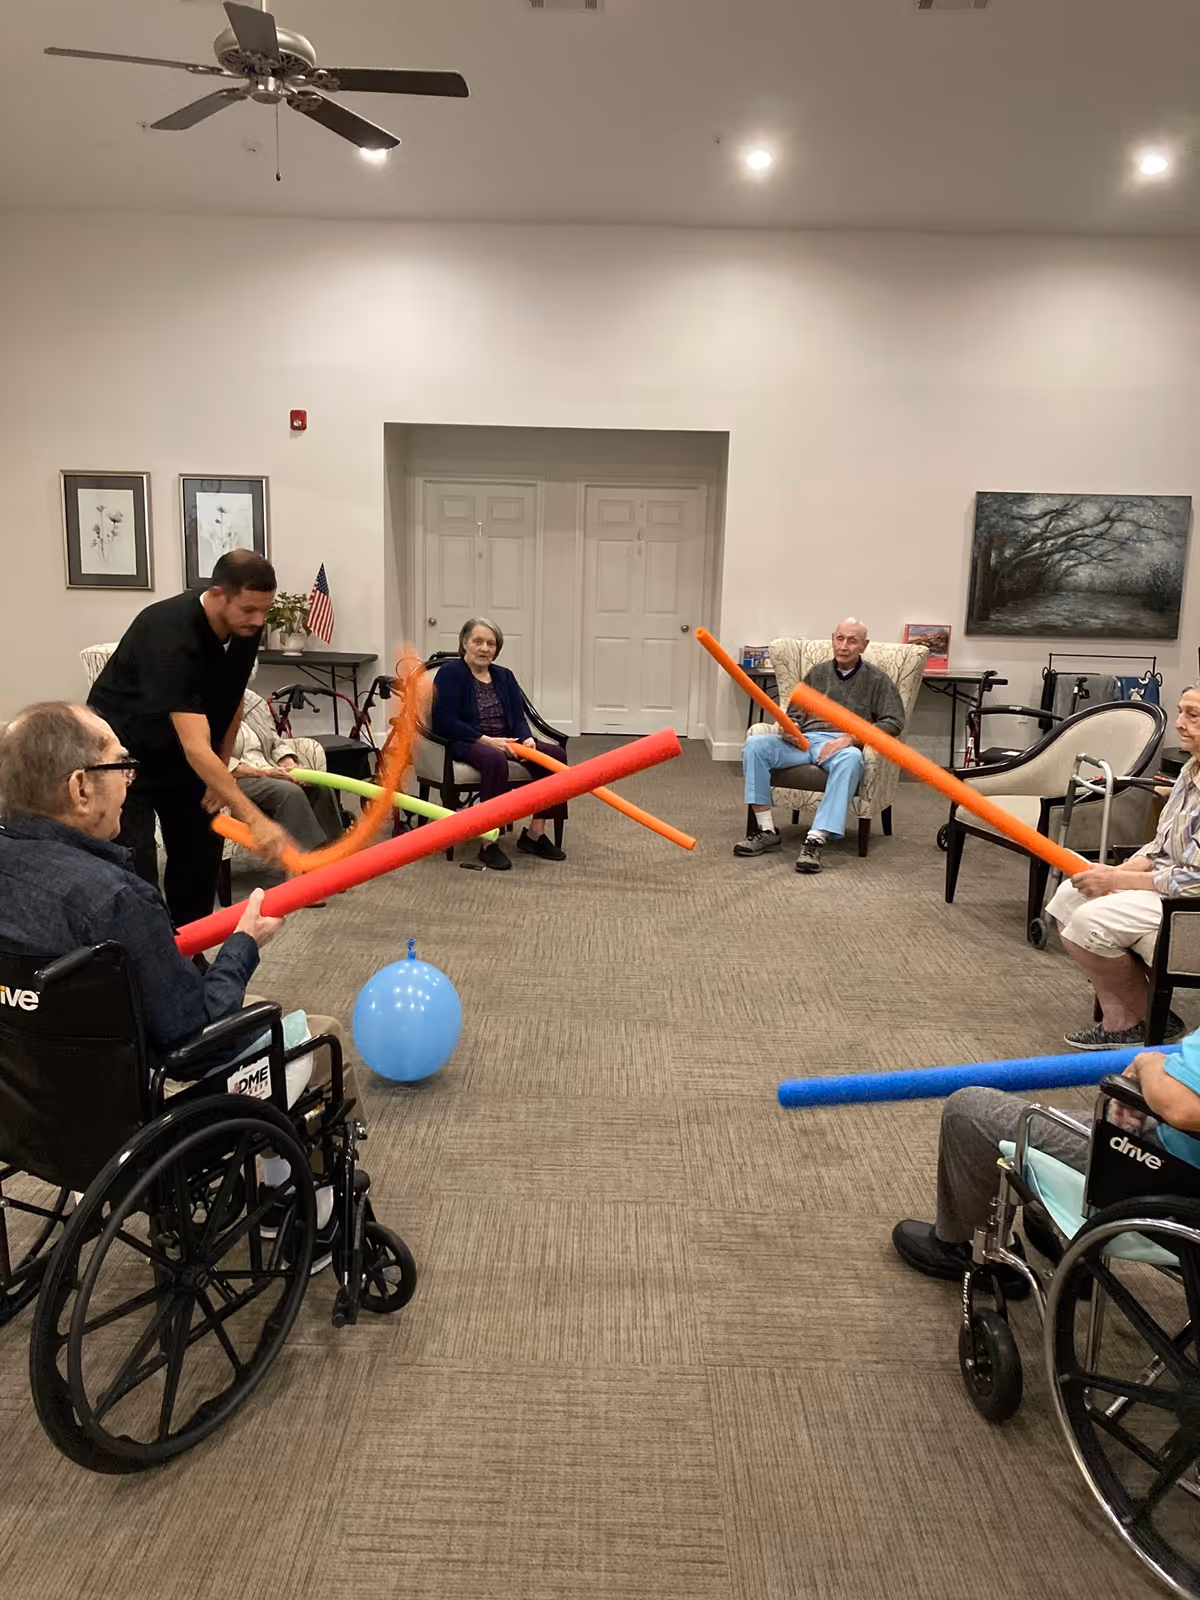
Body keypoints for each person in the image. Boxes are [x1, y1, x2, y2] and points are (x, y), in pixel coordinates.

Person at [0, 700, 358, 1267]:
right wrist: (244, 944)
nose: (129, 780)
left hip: (23, 1106)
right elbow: (197, 1040)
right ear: (80, 787)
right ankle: (305, 1218)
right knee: (322, 1038)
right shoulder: (117, 899)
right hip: (141, 1118)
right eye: (121, 766)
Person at [892, 1040, 1200, 1293]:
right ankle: (1055, 1229)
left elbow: (1183, 1109)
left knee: (968, 1112)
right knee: (1113, 1108)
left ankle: (974, 1250)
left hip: (1165, 1180)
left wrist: (1148, 1064)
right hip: (1177, 1170)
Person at [88, 551, 291, 927]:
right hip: (123, 757)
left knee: (200, 854)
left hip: (183, 753)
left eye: (264, 610)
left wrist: (223, 766)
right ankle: (146, 962)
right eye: (250, 609)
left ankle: (190, 955)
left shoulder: (245, 626)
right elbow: (194, 745)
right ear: (217, 594)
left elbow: (232, 701)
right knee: (136, 865)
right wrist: (254, 818)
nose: (259, 620)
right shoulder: (169, 633)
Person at [1042, 683, 1200, 1050]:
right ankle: (1122, 1022)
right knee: (1070, 894)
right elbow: (1162, 846)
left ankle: (1150, 1020)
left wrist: (1117, 879)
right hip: (1168, 888)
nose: (1178, 723)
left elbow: (1192, 881)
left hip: (1189, 903)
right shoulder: (1191, 769)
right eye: (1180, 711)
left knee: (1087, 921)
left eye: (1193, 715)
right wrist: (1128, 867)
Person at [734, 618, 905, 874]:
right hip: (804, 741)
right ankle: (766, 830)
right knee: (756, 745)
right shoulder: (818, 672)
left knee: (851, 760)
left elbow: (893, 721)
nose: (844, 646)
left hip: (842, 745)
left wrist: (851, 738)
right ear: (833, 639)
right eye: (839, 638)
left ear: (864, 645)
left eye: (852, 640)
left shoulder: (877, 680)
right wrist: (789, 728)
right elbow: (795, 711)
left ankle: (815, 840)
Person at [430, 617, 568, 871]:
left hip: (509, 740)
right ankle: (488, 842)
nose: (484, 648)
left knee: (556, 756)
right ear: (464, 643)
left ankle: (535, 835)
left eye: (491, 644)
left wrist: (526, 738)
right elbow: (444, 721)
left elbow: (518, 718)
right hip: (469, 740)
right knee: (493, 760)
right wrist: (485, 740)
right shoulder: (450, 674)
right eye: (478, 642)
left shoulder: (504, 676)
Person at [230, 685, 345, 854]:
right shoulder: (201, 705)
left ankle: (334, 853)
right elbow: (209, 757)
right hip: (235, 776)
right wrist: (264, 773)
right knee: (290, 792)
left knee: (319, 787)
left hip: (267, 766)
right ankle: (304, 864)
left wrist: (288, 763)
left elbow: (273, 740)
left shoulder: (250, 700)